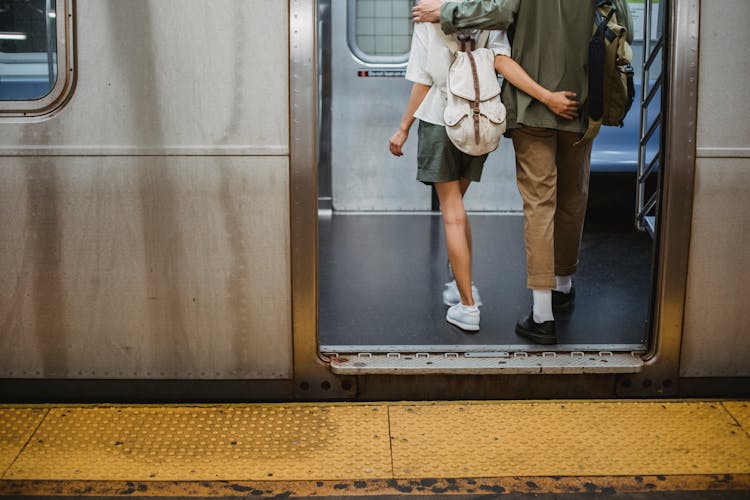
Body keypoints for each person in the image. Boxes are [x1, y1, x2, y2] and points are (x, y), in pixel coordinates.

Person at [412, 0, 603, 344]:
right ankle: (562, 283)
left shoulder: (443, 20)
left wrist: (445, 11)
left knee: (539, 204)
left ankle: (542, 314)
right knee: (574, 194)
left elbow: (497, 11)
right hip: (581, 102)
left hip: (532, 109)